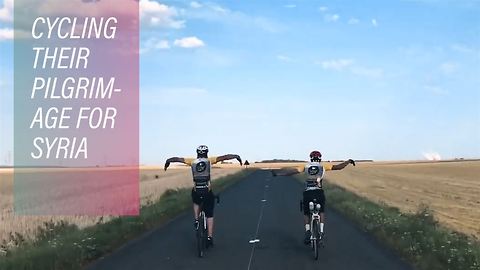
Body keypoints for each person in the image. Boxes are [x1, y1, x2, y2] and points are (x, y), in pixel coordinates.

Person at [164, 145, 242, 247]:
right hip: (207, 191)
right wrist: (236, 156)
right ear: (207, 153)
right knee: (209, 214)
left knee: (195, 200)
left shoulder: (192, 161)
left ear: (197, 153)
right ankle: (209, 237)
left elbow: (178, 159)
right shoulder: (210, 160)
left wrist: (168, 161)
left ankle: (196, 220)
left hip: (197, 191)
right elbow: (224, 157)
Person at [271, 151, 355, 245]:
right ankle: (321, 232)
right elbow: (339, 167)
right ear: (320, 158)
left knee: (306, 212)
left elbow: (291, 172)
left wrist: (278, 174)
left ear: (311, 158)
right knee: (322, 211)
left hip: (308, 193)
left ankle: (307, 231)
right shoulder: (323, 166)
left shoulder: (305, 166)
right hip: (319, 192)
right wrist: (348, 161)